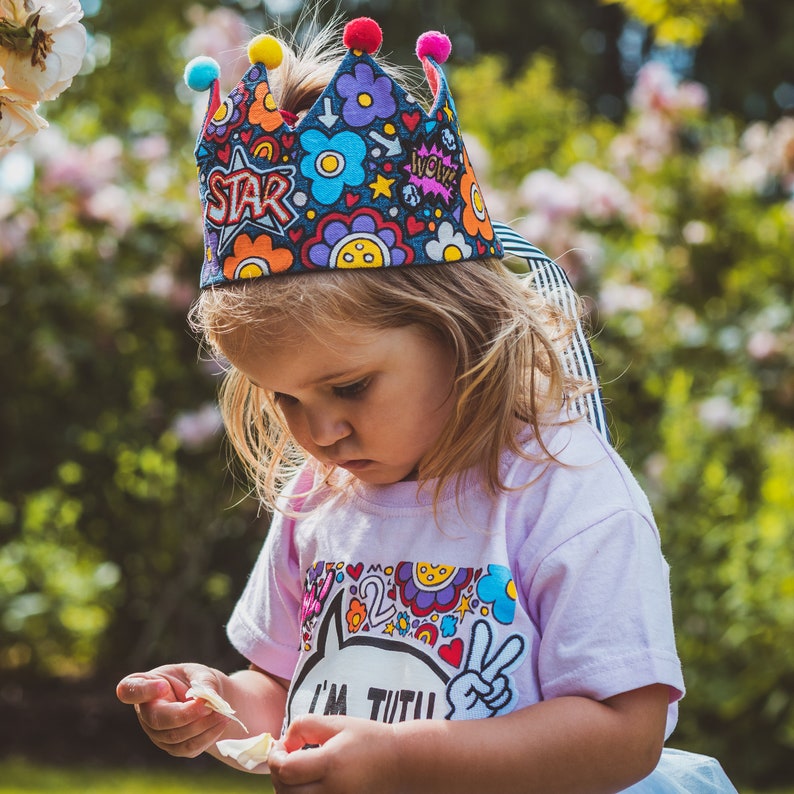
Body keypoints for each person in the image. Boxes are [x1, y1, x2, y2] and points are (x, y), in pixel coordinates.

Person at [116, 14, 738, 794]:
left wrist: (407, 761)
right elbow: (279, 693)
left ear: (460, 331)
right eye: (285, 399)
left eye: (349, 387)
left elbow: (625, 730)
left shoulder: (563, 495)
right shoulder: (319, 501)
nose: (322, 432)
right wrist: (216, 703)